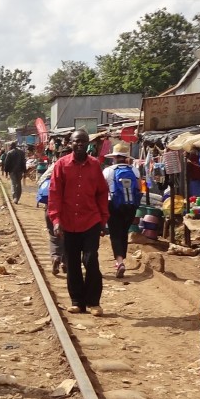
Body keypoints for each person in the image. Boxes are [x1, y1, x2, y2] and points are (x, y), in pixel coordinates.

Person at [48, 129, 109, 316]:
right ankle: (77, 302)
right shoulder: (61, 165)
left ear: (88, 143)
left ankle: (93, 302)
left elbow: (102, 193)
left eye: (83, 141)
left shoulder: (95, 165)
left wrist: (103, 219)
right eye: (76, 141)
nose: (79, 144)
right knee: (72, 263)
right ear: (70, 144)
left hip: (90, 220)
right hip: (68, 222)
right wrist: (56, 220)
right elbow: (55, 194)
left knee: (90, 260)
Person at [102, 142, 140, 277]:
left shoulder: (108, 171)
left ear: (115, 157)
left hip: (113, 205)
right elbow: (138, 189)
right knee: (124, 232)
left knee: (115, 234)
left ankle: (119, 262)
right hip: (131, 206)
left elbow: (102, 189)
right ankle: (121, 259)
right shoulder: (134, 170)